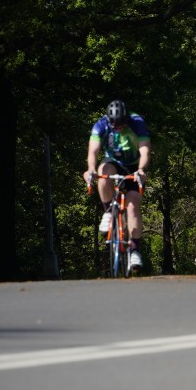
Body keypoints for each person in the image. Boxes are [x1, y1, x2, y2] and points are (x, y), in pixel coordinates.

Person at [83, 99, 151, 270]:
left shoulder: (137, 123)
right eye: (115, 126)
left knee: (133, 205)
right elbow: (93, 151)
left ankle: (135, 250)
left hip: (134, 166)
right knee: (103, 172)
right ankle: (107, 211)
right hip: (113, 161)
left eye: (122, 125)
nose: (119, 129)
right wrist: (90, 170)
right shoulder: (100, 125)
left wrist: (141, 170)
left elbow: (145, 150)